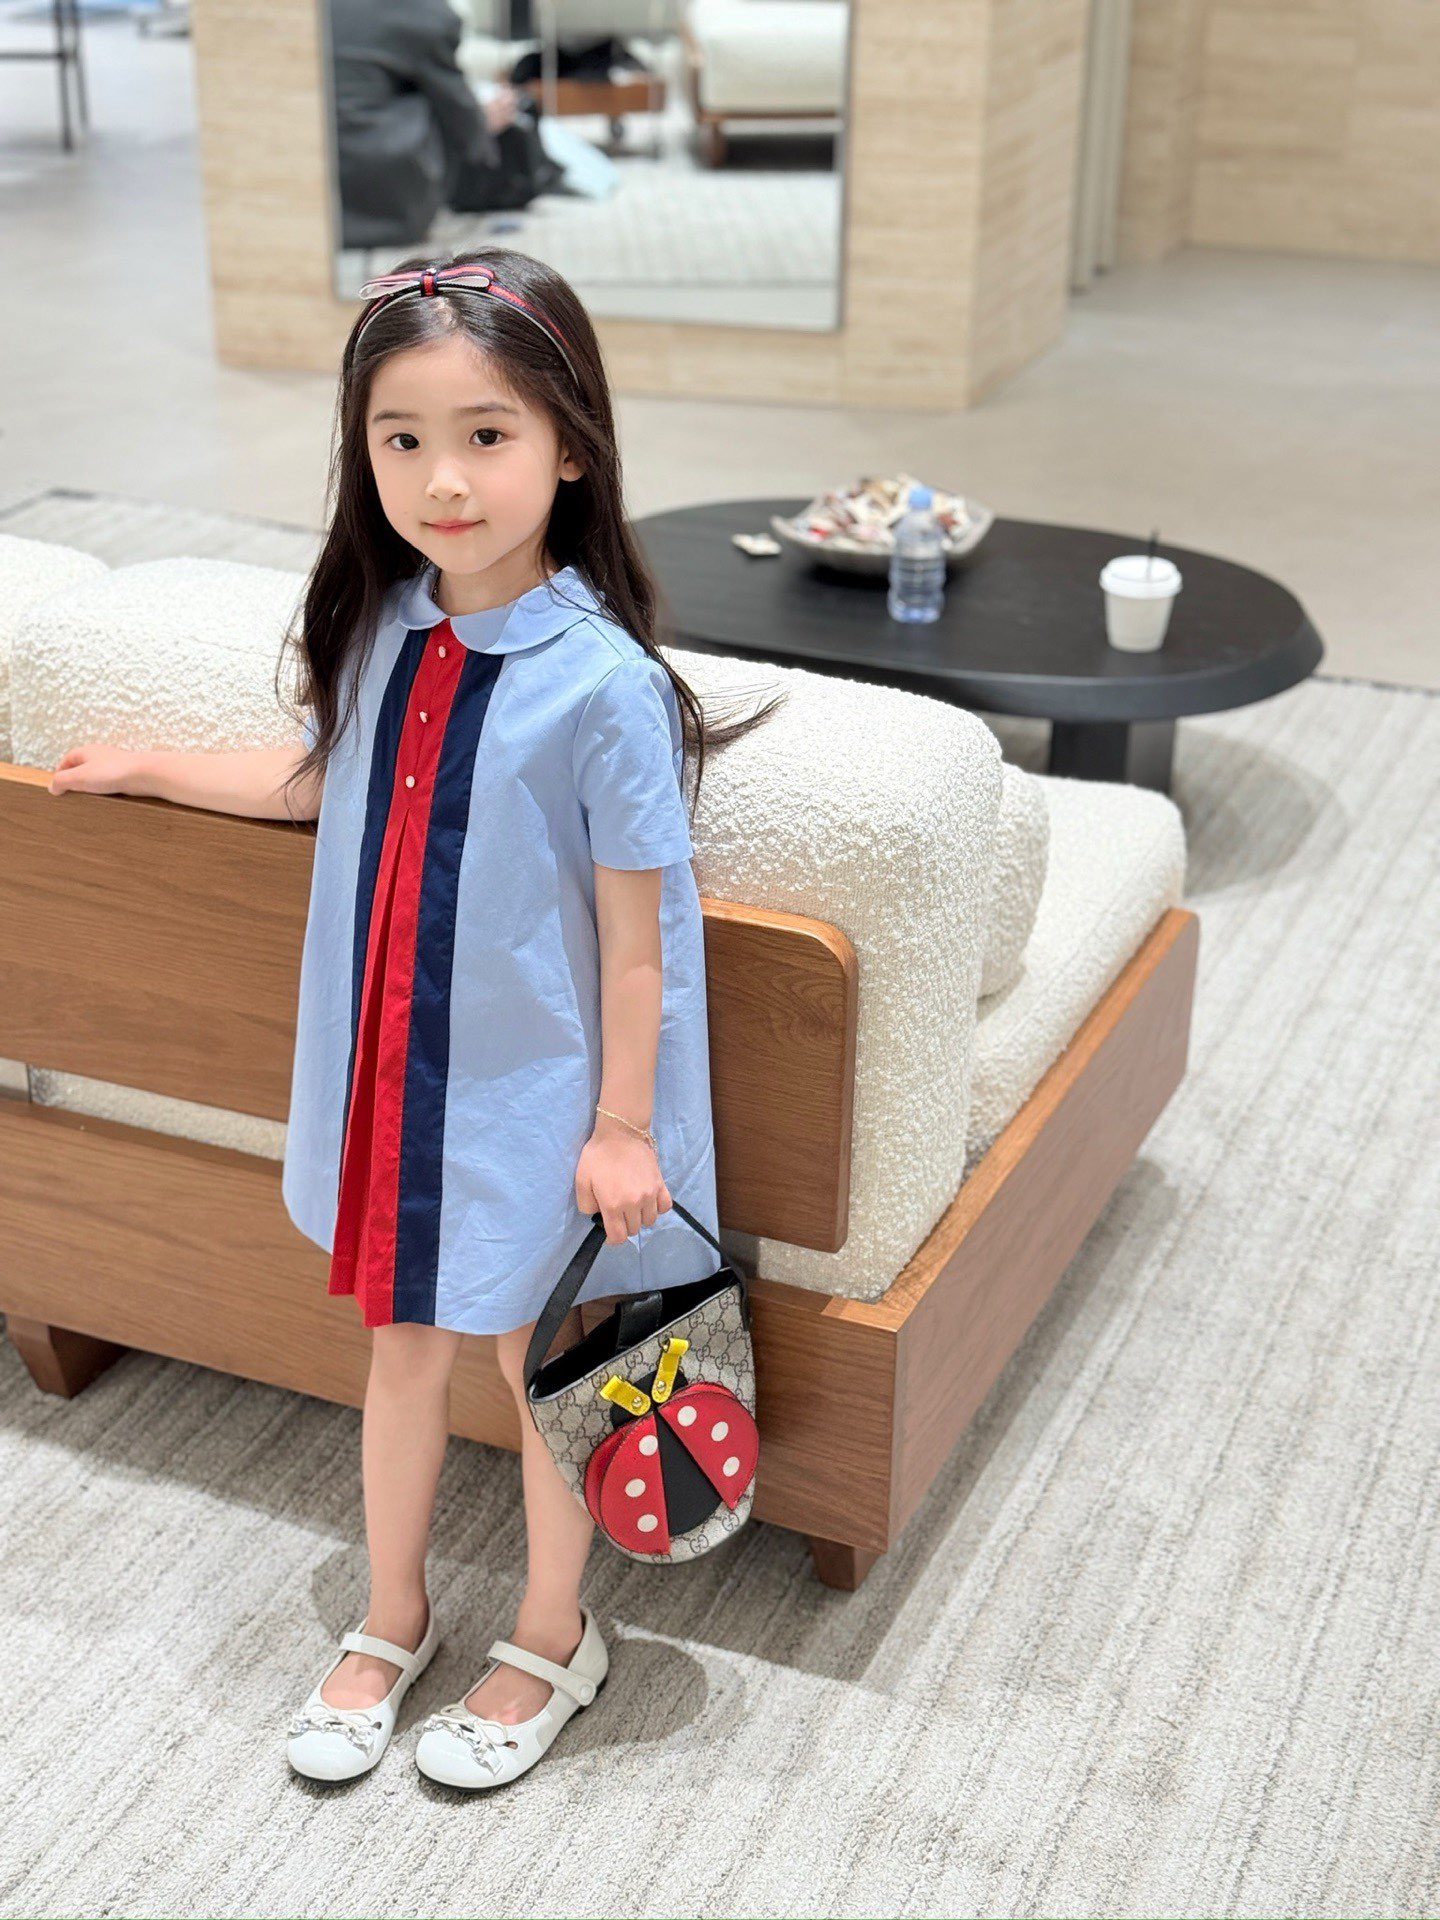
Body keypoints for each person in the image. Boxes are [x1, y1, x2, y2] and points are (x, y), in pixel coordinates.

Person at [46, 246, 783, 1791]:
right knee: (396, 1352)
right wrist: (156, 767)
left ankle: (555, 1634)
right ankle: (392, 1614)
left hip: (539, 1110)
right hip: (395, 1092)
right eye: (403, 438)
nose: (443, 479)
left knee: (540, 1375)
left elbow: (640, 944)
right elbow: (326, 782)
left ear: (569, 446)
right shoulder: (385, 629)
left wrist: (624, 1128)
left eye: (486, 435)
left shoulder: (603, 687)